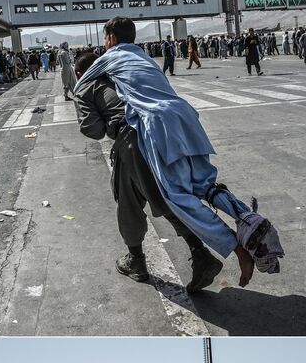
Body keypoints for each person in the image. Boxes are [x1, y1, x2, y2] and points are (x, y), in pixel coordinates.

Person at [73, 17, 283, 290]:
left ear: (110, 39)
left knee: (171, 197)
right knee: (203, 187)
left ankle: (234, 249)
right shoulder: (141, 59)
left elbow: (93, 128)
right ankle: (243, 222)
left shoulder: (101, 67)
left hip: (146, 132)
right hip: (185, 120)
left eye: (105, 39)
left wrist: (88, 98)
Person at [73, 52, 224, 292]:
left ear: (79, 73)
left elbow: (93, 130)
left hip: (132, 140)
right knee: (166, 194)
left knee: (132, 201)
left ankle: (142, 261)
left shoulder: (85, 85)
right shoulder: (121, 73)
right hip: (161, 131)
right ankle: (198, 253)